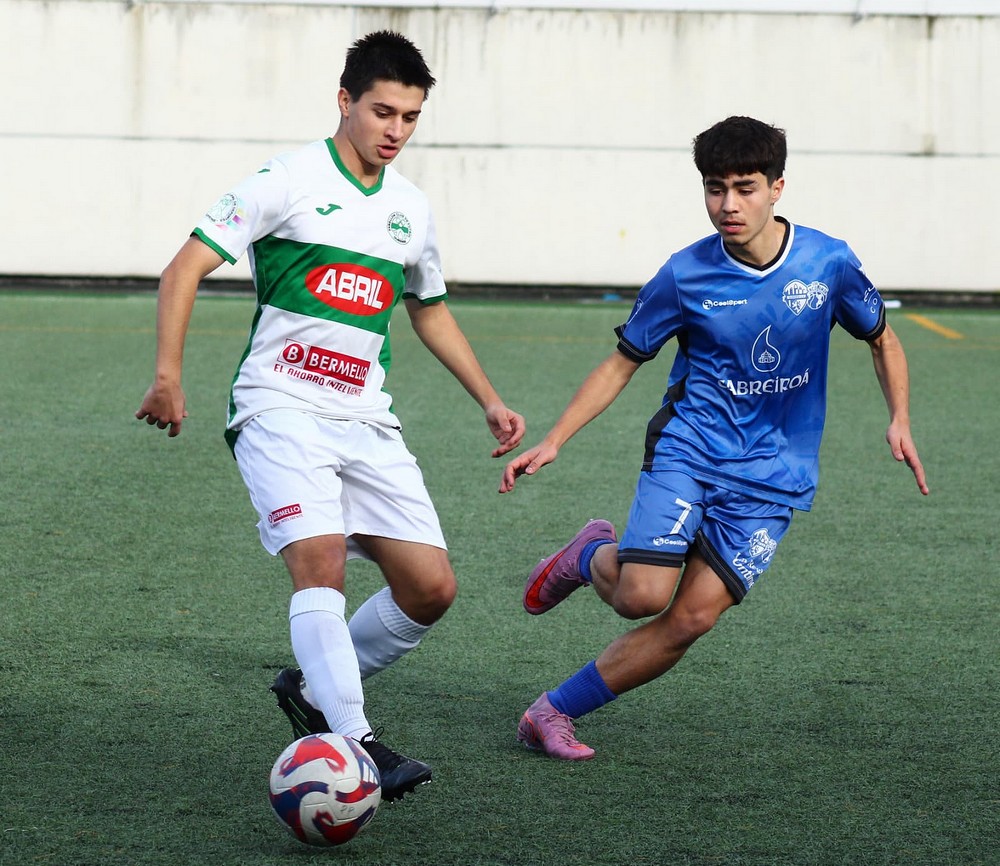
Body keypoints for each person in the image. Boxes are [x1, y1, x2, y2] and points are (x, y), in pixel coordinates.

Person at [136, 30, 525, 799]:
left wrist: (488, 397)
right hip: (279, 405)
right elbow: (185, 265)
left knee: (430, 589)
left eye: (411, 117)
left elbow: (430, 310)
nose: (396, 130)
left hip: (365, 419)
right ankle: (356, 741)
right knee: (319, 563)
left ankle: (316, 687)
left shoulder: (411, 209)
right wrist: (168, 375)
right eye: (383, 111)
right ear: (344, 101)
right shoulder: (287, 179)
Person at [499, 115, 928, 761]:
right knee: (642, 597)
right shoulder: (684, 274)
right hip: (691, 449)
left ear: (778, 187)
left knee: (692, 618)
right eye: (714, 187)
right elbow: (624, 360)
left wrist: (899, 417)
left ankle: (551, 711)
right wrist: (557, 437)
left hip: (775, 473)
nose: (727, 205)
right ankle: (590, 557)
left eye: (745, 187)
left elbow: (882, 339)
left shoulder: (827, 261)